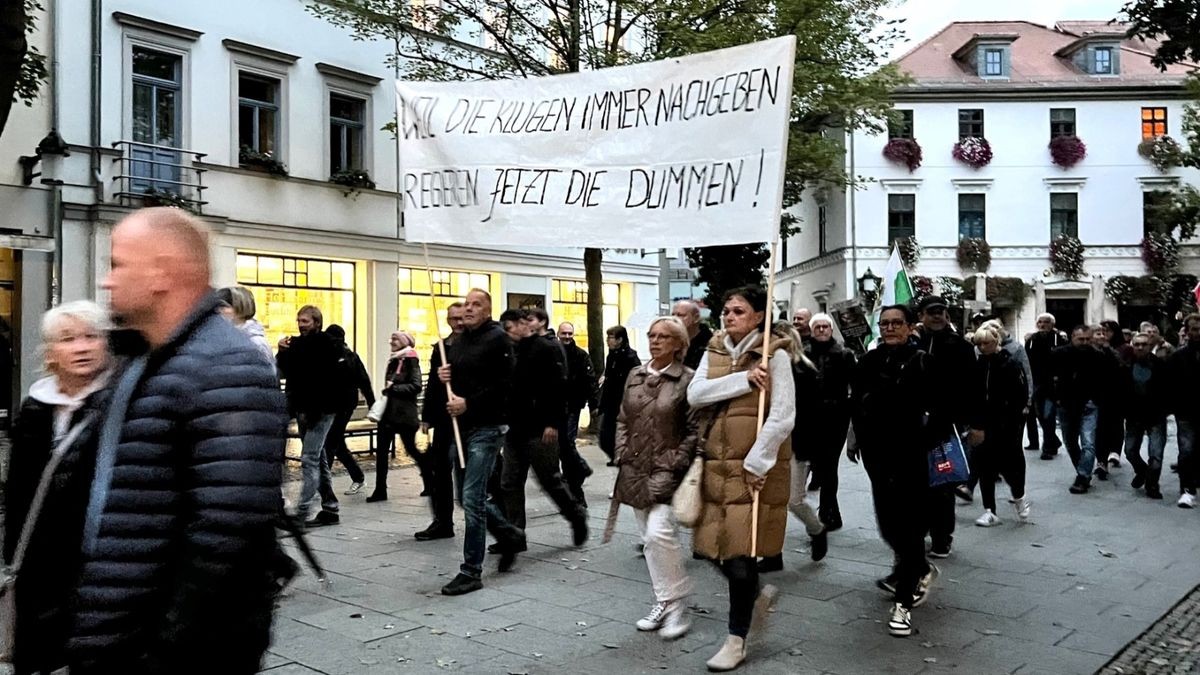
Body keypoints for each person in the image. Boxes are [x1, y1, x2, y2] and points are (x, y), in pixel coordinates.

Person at [78, 207, 285, 673]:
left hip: (166, 652)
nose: (107, 281)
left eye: (117, 264)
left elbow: (227, 532)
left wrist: (164, 648)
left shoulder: (226, 366)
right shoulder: (140, 357)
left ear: (161, 273)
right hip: (116, 628)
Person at [686, 286, 793, 671]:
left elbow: (783, 414)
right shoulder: (714, 350)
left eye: (739, 311)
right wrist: (745, 380)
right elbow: (696, 395)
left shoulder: (776, 355)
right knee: (710, 549)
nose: (729, 317)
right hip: (715, 467)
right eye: (726, 310)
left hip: (751, 473)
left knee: (741, 556)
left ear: (759, 316)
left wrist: (758, 462)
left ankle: (736, 639)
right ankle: (756, 596)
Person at [3, 301, 111, 674]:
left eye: (90, 337)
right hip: (40, 563)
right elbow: (19, 493)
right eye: (67, 339)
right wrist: (13, 557)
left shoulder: (118, 405)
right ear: (50, 352)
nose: (81, 347)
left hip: (99, 563)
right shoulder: (35, 408)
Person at [849, 304, 939, 638]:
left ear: (909, 326)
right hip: (877, 455)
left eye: (896, 323)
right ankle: (917, 567)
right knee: (888, 524)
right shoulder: (868, 361)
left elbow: (941, 409)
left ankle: (903, 601)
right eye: (884, 323)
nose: (889, 328)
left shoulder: (923, 360)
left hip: (912, 455)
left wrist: (924, 441)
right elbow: (856, 402)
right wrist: (856, 438)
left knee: (909, 526)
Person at [610, 316, 698, 640]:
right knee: (649, 540)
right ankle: (665, 600)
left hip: (667, 469)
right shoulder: (635, 374)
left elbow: (694, 429)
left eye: (664, 337)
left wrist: (676, 460)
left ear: (678, 344)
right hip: (634, 468)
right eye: (652, 335)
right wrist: (621, 451)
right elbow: (623, 418)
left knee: (660, 534)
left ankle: (677, 607)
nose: (655, 341)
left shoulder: (687, 379)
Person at [438, 289, 526, 595]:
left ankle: (471, 571)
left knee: (473, 497)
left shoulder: (497, 339)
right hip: (461, 428)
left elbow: (504, 385)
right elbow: (463, 380)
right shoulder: (461, 340)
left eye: (477, 305)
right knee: (465, 496)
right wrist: (446, 375)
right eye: (467, 304)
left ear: (488, 311)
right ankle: (509, 533)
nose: (468, 309)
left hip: (487, 427)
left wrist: (468, 404)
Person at [497, 309, 588, 550]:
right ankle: (516, 534)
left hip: (540, 427)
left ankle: (576, 516)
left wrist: (553, 423)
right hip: (515, 427)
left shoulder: (546, 348)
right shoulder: (509, 350)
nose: (511, 331)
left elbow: (558, 388)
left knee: (550, 480)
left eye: (514, 326)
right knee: (510, 482)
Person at [758, 322, 827, 573]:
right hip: (770, 441)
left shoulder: (803, 370)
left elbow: (811, 413)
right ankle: (771, 553)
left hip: (796, 443)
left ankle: (817, 529)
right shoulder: (766, 368)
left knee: (793, 500)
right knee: (769, 502)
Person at [914, 296, 975, 559]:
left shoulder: (959, 345)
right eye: (932, 312)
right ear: (922, 315)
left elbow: (974, 387)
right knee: (917, 483)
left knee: (942, 483)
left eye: (941, 312)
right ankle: (923, 528)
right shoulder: (912, 343)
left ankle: (942, 536)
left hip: (945, 425)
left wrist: (976, 423)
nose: (937, 316)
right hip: (914, 424)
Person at [276, 305, 344, 526]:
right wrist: (282, 350)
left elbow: (324, 377)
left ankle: (303, 511)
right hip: (302, 408)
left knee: (309, 459)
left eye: (304, 321)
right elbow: (284, 371)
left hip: (321, 410)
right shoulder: (295, 344)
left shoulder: (327, 345)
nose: (300, 325)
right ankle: (330, 508)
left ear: (316, 322)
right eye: (299, 321)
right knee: (318, 458)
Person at [967, 326, 1031, 527]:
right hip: (983, 424)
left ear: (996, 342)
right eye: (979, 343)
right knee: (985, 467)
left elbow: (1019, 394)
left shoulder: (1009, 365)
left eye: (986, 342)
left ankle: (1019, 496)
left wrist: (1016, 414)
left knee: (1011, 465)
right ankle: (990, 510)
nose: (982, 347)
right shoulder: (976, 367)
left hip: (1007, 424)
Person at [417, 303, 466, 541]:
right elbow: (434, 386)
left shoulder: (475, 345)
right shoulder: (441, 348)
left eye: (460, 318)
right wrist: (427, 416)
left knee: (469, 473)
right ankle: (443, 521)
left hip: (470, 418)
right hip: (445, 418)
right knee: (439, 471)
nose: (457, 323)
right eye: (453, 318)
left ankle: (498, 524)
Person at [805, 312, 855, 530]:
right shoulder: (804, 355)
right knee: (819, 464)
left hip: (836, 418)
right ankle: (828, 509)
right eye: (818, 327)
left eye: (826, 326)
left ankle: (828, 508)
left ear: (831, 329)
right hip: (811, 418)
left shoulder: (844, 355)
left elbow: (854, 385)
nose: (822, 330)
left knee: (829, 464)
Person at [1053, 325, 1113, 494]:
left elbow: (1106, 379)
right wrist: (1056, 397)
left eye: (1088, 339)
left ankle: (1083, 476)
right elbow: (1050, 376)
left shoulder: (1098, 356)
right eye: (1081, 339)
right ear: (1072, 337)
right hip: (1066, 404)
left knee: (1088, 442)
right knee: (1071, 442)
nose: (1085, 342)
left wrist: (1098, 399)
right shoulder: (1059, 354)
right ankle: (1083, 470)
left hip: (1089, 404)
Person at [369, 331, 422, 503]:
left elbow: (416, 385)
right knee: (382, 453)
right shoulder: (394, 359)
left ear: (404, 342)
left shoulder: (411, 359)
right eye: (391, 338)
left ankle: (429, 480)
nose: (391, 341)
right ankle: (380, 490)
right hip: (388, 415)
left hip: (405, 415)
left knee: (411, 450)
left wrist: (394, 389)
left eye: (395, 339)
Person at [323, 324, 372, 496]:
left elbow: (364, 381)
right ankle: (357, 477)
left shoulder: (349, 357)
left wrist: (372, 405)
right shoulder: (328, 355)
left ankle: (324, 485)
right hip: (332, 405)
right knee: (336, 444)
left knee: (330, 442)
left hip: (343, 406)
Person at [1124, 333, 1169, 500]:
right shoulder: (1126, 365)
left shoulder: (1160, 366)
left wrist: (1165, 408)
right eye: (1137, 344)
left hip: (1156, 415)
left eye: (1144, 344)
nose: (1140, 347)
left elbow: (1169, 389)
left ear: (1150, 346)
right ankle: (1142, 471)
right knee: (1129, 451)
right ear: (1132, 346)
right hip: (1134, 415)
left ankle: (1152, 484)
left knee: (1156, 454)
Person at [557, 321, 597, 506]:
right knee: (563, 445)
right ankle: (576, 471)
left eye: (569, 333)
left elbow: (589, 381)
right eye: (564, 333)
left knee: (567, 443)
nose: (566, 336)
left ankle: (576, 476)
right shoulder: (552, 352)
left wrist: (590, 403)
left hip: (572, 406)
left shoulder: (581, 356)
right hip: (556, 407)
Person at [1167, 313, 1200, 508]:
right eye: (1194, 329)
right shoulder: (1178, 357)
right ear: (1187, 332)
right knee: (1186, 451)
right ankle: (1187, 490)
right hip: (1186, 412)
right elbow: (1171, 385)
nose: (1198, 333)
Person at [1025, 313, 1068, 460]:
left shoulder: (1058, 339)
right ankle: (1054, 441)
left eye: (1046, 322)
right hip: (1037, 383)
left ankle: (1048, 448)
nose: (1042, 325)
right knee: (1040, 416)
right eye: (1040, 322)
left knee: (1048, 415)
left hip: (1052, 384)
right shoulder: (1032, 340)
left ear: (1052, 324)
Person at [598, 326, 642, 465]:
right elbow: (609, 377)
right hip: (611, 401)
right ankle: (616, 455)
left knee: (621, 432)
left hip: (624, 401)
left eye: (610, 338)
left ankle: (622, 456)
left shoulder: (630, 356)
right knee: (605, 436)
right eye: (608, 337)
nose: (608, 341)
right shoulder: (611, 355)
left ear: (620, 340)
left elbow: (637, 378)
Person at [216, 285, 273, 367]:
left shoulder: (256, 343)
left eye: (223, 306)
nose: (219, 311)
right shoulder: (224, 336)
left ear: (241, 306)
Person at [673, 299, 713, 370]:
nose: (675, 319)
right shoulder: (671, 341)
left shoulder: (710, 343)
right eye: (673, 315)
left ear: (696, 318)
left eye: (680, 315)